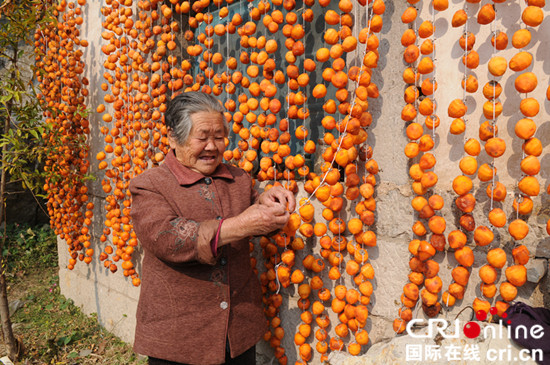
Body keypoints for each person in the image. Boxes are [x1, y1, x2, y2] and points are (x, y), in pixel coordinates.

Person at [129, 91, 296, 365]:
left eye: (219, 137)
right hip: (179, 337)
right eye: (202, 137)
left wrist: (268, 201)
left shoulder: (238, 178)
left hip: (238, 331)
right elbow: (168, 238)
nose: (212, 146)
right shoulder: (150, 184)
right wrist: (241, 225)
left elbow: (255, 213)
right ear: (173, 137)